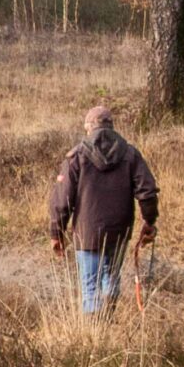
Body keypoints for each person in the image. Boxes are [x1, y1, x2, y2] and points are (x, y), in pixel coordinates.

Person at [48, 103, 159, 314]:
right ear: (112, 126)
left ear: (89, 127)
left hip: (87, 234)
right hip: (119, 232)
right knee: (111, 279)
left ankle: (95, 334)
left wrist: (57, 232)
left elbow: (62, 200)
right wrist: (149, 221)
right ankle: (107, 319)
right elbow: (148, 191)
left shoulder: (77, 156)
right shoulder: (130, 154)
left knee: (90, 287)